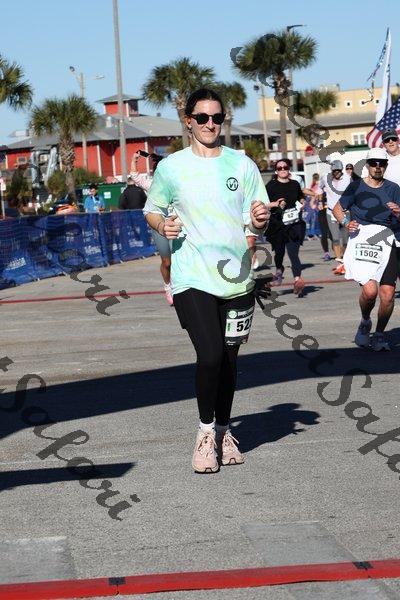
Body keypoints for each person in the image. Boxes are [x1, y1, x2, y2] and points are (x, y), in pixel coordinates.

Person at [143, 88, 269, 474]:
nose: (210, 124)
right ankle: (205, 432)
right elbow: (152, 210)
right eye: (202, 118)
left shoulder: (242, 165)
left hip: (238, 278)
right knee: (210, 354)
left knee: (229, 360)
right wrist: (162, 225)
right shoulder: (172, 167)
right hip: (192, 276)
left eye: (216, 117)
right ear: (189, 121)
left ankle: (225, 432)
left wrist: (259, 220)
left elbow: (256, 218)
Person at [332, 148, 400, 351]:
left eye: (382, 163)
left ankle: (379, 334)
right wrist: (346, 222)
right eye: (374, 163)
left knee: (387, 294)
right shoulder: (356, 186)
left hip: (388, 242)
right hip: (362, 240)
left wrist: (398, 213)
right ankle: (365, 322)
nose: (377, 167)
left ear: (386, 166)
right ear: (367, 165)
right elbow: (337, 208)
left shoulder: (394, 189)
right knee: (370, 292)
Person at [129, 152, 173, 305]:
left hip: (176, 226)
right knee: (167, 262)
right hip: (158, 225)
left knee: (180, 260)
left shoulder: (176, 183)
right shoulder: (151, 184)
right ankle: (168, 286)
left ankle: (182, 287)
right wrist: (134, 159)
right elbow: (134, 176)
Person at [265, 159, 306, 296]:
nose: (283, 169)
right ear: (276, 171)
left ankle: (297, 280)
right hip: (277, 225)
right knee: (279, 252)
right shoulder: (271, 185)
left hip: (294, 224)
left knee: (293, 253)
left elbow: (300, 196)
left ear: (289, 169)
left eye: (285, 167)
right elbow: (263, 203)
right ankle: (279, 270)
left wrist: (302, 202)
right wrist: (275, 204)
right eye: (280, 168)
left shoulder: (294, 184)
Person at [319, 161, 351, 274]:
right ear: (331, 171)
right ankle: (339, 263)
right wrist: (320, 201)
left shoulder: (347, 178)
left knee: (346, 239)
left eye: (339, 171)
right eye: (334, 171)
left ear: (341, 170)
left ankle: (345, 262)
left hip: (345, 212)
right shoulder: (325, 178)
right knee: (336, 238)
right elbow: (319, 189)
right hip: (331, 212)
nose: (337, 173)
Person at [304, 173, 330, 260]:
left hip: (332, 213)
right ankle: (326, 253)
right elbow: (305, 192)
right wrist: (315, 204)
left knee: (332, 235)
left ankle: (337, 250)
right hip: (322, 213)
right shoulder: (318, 189)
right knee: (324, 233)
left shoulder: (332, 189)